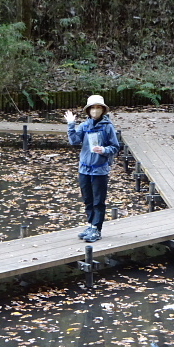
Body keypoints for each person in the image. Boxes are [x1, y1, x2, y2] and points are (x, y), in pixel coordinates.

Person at [64, 95, 120, 243]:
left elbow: (115, 147)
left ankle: (97, 228)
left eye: (98, 107)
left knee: (98, 200)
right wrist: (71, 125)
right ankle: (90, 224)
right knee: (87, 199)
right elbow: (74, 141)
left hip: (100, 170)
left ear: (103, 110)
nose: (95, 111)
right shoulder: (84, 125)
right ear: (88, 110)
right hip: (84, 169)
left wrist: (103, 150)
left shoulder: (108, 127)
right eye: (93, 108)